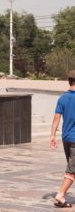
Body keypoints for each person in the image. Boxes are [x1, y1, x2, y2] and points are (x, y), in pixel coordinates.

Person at [49, 69, 75, 208]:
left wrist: (52, 135)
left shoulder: (63, 98)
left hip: (66, 138)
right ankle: (61, 194)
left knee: (72, 168)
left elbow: (56, 118)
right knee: (72, 170)